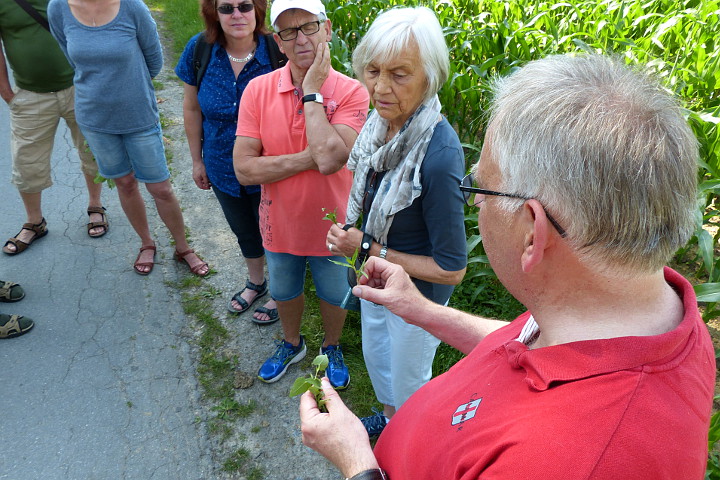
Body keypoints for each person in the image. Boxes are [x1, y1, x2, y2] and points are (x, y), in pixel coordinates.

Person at [299, 54, 715, 480]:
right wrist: (420, 308)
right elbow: (525, 344)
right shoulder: (630, 305)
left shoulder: (570, 462)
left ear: (533, 232)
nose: (475, 202)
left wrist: (357, 462)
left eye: (479, 186)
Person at [325, 6, 466, 437]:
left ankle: (408, 444)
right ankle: (389, 421)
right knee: (379, 359)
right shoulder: (380, 126)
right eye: (372, 70)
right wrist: (362, 245)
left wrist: (365, 248)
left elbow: (453, 269)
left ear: (430, 76)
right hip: (376, 278)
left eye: (399, 74)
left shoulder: (439, 157)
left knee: (409, 380)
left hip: (417, 294)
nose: (380, 88)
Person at [233, 0, 369, 387]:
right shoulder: (258, 90)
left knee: (333, 293)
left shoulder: (353, 91)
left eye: (308, 27)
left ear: (326, 29)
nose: (300, 39)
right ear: (278, 41)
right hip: (280, 221)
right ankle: (292, 342)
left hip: (334, 226)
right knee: (285, 290)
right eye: (289, 32)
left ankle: (331, 345)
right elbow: (244, 169)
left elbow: (331, 160)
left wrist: (311, 91)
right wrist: (314, 156)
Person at [47, 0, 208, 276]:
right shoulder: (58, 8)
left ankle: (183, 248)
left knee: (160, 189)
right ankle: (147, 243)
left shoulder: (132, 6)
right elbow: (69, 56)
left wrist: (128, 89)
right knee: (124, 183)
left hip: (138, 116)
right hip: (94, 118)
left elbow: (154, 61)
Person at [175, 0, 280, 322]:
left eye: (245, 6)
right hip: (221, 164)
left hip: (270, 167)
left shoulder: (276, 50)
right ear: (214, 13)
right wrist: (197, 161)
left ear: (258, 10)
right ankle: (256, 283)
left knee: (275, 232)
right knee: (244, 230)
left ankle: (280, 292)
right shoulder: (200, 50)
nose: (237, 15)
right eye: (226, 8)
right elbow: (192, 109)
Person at [0, 0, 106, 256]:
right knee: (26, 163)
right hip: (30, 94)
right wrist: (6, 92)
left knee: (91, 152)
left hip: (80, 88)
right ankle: (35, 222)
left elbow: (97, 27)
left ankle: (95, 206)